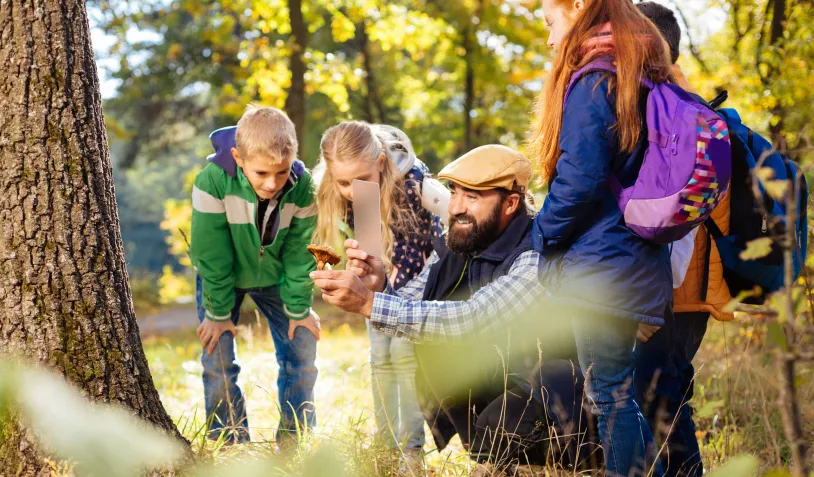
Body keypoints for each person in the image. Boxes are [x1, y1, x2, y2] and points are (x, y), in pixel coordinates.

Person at [311, 145, 593, 472]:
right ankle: (506, 460)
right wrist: (381, 286)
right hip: (505, 376)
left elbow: (472, 319)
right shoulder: (463, 239)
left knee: (495, 429)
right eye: (454, 192)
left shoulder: (535, 253)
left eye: (472, 197)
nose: (456, 207)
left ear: (511, 203)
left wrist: (369, 303)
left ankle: (568, 464)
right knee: (458, 388)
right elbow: (420, 297)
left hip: (558, 391)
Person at [529, 0, 676, 474]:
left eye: (552, 24)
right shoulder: (639, 73)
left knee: (609, 394)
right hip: (629, 258)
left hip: (604, 264)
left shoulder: (597, 79)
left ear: (577, 7)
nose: (551, 40)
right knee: (612, 391)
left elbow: (580, 178)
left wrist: (540, 234)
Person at [633, 4, 734, 476]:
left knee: (661, 397)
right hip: (683, 289)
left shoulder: (672, 113)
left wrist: (651, 300)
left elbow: (675, 218)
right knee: (664, 393)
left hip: (672, 290)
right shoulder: (683, 104)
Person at [190, 105, 319, 446]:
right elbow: (211, 254)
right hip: (223, 279)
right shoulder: (212, 181)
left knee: (302, 348)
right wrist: (217, 314)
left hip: (277, 277)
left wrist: (298, 308)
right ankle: (230, 441)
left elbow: (299, 253)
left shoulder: (304, 187)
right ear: (238, 157)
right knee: (217, 359)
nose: (272, 183)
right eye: (261, 173)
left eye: (281, 172)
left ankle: (296, 440)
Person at [312, 121, 442, 460]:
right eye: (343, 183)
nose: (353, 191)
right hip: (380, 286)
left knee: (403, 357)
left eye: (361, 180)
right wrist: (361, 269)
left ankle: (412, 453)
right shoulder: (358, 189)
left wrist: (390, 292)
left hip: (418, 284)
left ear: (381, 163)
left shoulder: (413, 183)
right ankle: (386, 448)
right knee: (380, 358)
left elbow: (425, 253)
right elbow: (371, 249)